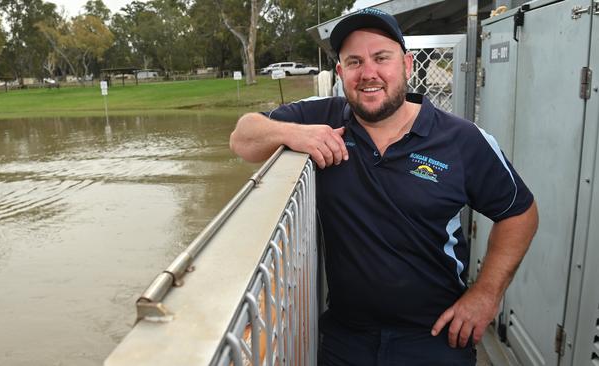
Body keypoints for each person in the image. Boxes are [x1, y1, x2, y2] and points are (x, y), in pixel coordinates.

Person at [230, 8, 538, 366]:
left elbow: (520, 213)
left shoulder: (462, 140)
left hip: (436, 334)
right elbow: (243, 137)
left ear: (406, 64)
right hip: (347, 336)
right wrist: (292, 133)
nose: (369, 73)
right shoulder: (323, 118)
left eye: (381, 58)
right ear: (341, 73)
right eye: (355, 62)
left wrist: (486, 294)